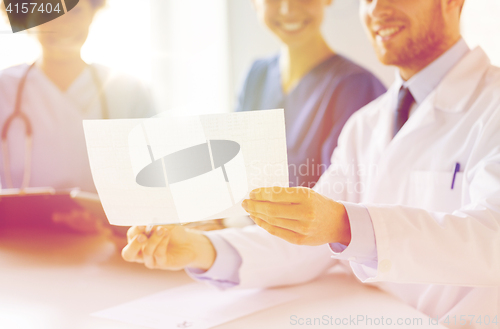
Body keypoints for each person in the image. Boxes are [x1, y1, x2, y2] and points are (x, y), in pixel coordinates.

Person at [123, 0, 500, 327]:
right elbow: (306, 240)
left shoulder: (493, 104)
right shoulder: (366, 124)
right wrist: (201, 248)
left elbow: (491, 239)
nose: (377, 11)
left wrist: (344, 224)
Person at [0, 0, 154, 233]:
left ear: (93, 12)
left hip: (111, 248)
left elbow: (156, 184)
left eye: (76, 9)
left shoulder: (129, 91)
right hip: (19, 246)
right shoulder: (4, 89)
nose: (63, 21)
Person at [237, 0, 386, 188]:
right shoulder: (256, 76)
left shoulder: (357, 87)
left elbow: (344, 199)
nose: (287, 10)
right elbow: (236, 179)